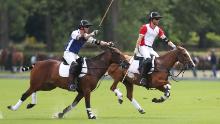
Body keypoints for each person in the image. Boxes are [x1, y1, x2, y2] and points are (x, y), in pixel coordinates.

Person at [63, 19, 113, 91]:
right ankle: (71, 84)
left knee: (83, 65)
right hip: (68, 53)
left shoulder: (87, 35)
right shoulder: (75, 33)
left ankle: (78, 82)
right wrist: (92, 34)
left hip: (75, 55)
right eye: (87, 26)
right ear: (82, 27)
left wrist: (107, 43)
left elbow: (97, 42)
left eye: (88, 27)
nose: (88, 28)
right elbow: (81, 37)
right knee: (75, 65)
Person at [134, 11, 176, 87]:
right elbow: (139, 39)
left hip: (150, 48)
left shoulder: (158, 29)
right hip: (143, 46)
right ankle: (143, 78)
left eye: (159, 19)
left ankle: (157, 77)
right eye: (156, 19)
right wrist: (136, 48)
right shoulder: (145, 27)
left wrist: (174, 46)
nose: (158, 20)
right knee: (148, 60)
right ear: (152, 19)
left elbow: (165, 40)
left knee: (159, 62)